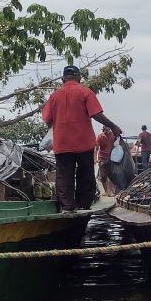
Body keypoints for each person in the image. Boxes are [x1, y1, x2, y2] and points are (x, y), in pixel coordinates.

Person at [41, 65, 123, 212]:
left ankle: (67, 207)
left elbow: (47, 119)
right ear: (79, 78)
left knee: (64, 176)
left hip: (62, 144)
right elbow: (96, 114)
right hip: (83, 143)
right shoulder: (85, 92)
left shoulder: (54, 96)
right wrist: (113, 126)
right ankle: (83, 205)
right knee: (85, 174)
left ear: (62, 79)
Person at [96, 126, 116, 195]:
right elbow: (96, 148)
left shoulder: (113, 136)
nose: (107, 132)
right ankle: (106, 191)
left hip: (111, 158)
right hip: (102, 158)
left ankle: (110, 191)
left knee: (111, 175)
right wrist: (95, 159)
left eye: (108, 130)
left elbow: (116, 145)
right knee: (103, 176)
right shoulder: (100, 137)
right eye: (105, 130)